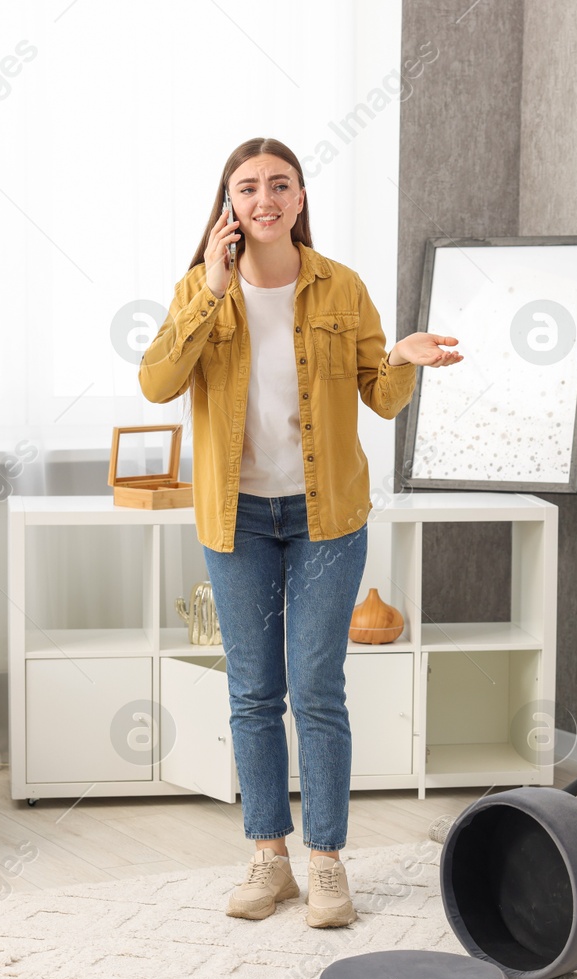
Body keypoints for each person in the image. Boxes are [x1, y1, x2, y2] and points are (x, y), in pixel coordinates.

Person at [138, 137, 462, 928]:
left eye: (279, 184)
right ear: (229, 206)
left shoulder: (340, 288)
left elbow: (380, 399)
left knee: (316, 687)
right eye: (247, 188)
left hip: (325, 517)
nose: (264, 199)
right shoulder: (199, 289)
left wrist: (405, 359)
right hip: (235, 516)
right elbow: (156, 383)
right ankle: (267, 857)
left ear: (301, 197)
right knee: (253, 691)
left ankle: (326, 862)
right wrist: (211, 290)